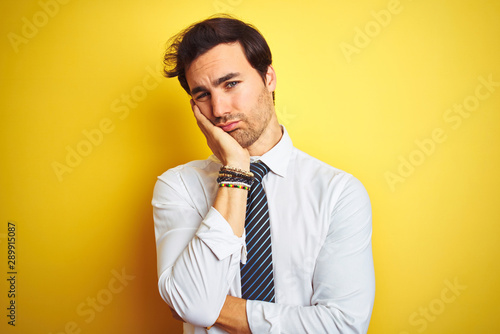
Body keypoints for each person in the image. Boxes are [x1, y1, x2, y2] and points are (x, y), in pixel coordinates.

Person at [152, 15, 375, 334]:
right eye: (202, 94)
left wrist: (210, 307)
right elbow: (192, 303)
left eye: (230, 84)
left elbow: (343, 325)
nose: (218, 109)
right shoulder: (178, 187)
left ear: (268, 77)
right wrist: (235, 172)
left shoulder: (338, 192)